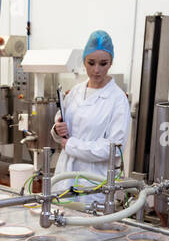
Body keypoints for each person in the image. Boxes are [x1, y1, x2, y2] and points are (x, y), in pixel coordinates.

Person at [50, 30, 131, 200]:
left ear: (111, 63)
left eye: (103, 63)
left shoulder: (117, 99)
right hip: (64, 176)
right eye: (91, 63)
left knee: (87, 224)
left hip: (93, 183)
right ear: (84, 61)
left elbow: (114, 148)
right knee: (60, 220)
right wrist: (57, 130)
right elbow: (61, 125)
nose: (96, 70)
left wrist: (71, 145)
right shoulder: (75, 92)